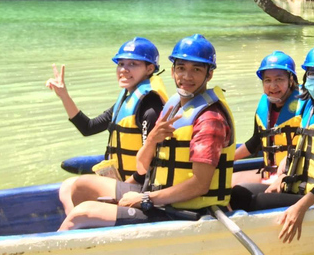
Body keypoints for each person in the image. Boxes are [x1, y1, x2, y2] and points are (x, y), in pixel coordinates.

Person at [58, 34, 235, 230]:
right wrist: (151, 140)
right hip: (157, 195)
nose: (186, 76)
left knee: (81, 215)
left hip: (186, 210)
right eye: (181, 68)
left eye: (196, 70)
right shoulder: (172, 107)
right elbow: (142, 166)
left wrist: (145, 197)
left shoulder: (209, 119)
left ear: (209, 74)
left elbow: (200, 185)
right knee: (78, 187)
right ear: (172, 71)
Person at [230, 44, 314, 244]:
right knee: (237, 194)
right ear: (305, 77)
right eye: (312, 74)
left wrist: (301, 207)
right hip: (299, 188)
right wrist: (281, 178)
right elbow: (296, 149)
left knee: (256, 202)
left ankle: (266, 243)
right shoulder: (309, 106)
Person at [46, 37, 167, 214]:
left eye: (132, 64)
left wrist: (126, 184)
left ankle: (85, 224)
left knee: (80, 185)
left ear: (149, 69)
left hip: (142, 188)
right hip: (125, 180)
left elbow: (153, 162)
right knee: (66, 187)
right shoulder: (127, 99)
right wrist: (64, 95)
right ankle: (81, 230)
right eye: (121, 64)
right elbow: (88, 127)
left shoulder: (150, 107)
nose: (124, 70)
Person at [232, 51, 302, 185]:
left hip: (291, 177)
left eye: (279, 79)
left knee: (236, 191)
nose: (273, 86)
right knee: (225, 182)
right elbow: (255, 142)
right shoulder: (264, 107)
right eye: (267, 80)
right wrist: (227, 158)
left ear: (291, 80)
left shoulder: (305, 106)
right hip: (269, 173)